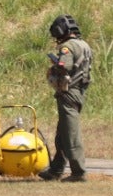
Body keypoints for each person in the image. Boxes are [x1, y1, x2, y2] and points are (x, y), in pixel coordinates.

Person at [38, 14, 93, 182]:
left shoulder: (67, 47)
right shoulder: (84, 45)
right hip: (78, 92)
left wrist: (55, 66)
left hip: (69, 93)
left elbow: (65, 67)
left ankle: (79, 172)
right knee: (62, 134)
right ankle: (56, 169)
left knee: (70, 134)